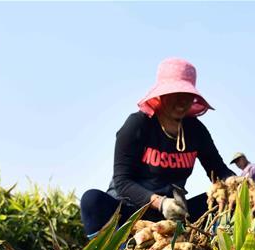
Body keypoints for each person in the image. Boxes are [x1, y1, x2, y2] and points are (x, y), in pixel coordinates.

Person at [80, 57, 234, 236]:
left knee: (229, 198)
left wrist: (235, 183)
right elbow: (122, 181)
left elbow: (218, 170)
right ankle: (115, 246)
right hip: (130, 213)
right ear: (162, 95)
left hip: (172, 215)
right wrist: (161, 203)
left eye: (187, 95)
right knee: (91, 200)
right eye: (175, 94)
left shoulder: (196, 130)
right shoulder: (138, 125)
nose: (182, 101)